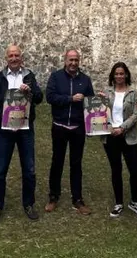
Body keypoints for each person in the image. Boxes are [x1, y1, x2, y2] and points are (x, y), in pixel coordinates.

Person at [0, 45, 44, 223]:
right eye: (10, 55)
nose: (13, 58)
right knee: (0, 170)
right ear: (6, 58)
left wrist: (30, 91)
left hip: (25, 130)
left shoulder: (29, 76)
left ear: (21, 58)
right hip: (5, 130)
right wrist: (3, 121)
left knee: (29, 169)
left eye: (16, 55)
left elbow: (39, 98)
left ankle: (29, 204)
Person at [45, 49, 95, 215]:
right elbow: (50, 97)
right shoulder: (56, 77)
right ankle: (53, 196)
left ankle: (77, 199)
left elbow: (90, 102)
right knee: (57, 162)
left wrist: (99, 99)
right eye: (71, 60)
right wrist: (70, 99)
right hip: (59, 126)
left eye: (76, 60)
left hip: (77, 128)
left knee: (76, 164)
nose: (73, 63)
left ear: (79, 61)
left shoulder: (85, 80)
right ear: (65, 60)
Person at [98, 62, 137, 218]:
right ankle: (118, 203)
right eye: (116, 74)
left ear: (126, 75)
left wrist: (122, 128)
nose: (119, 76)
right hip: (111, 135)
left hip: (129, 136)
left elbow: (136, 114)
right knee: (116, 169)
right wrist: (99, 102)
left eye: (121, 73)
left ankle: (135, 201)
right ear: (113, 76)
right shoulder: (107, 92)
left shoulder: (133, 92)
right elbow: (101, 112)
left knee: (135, 170)